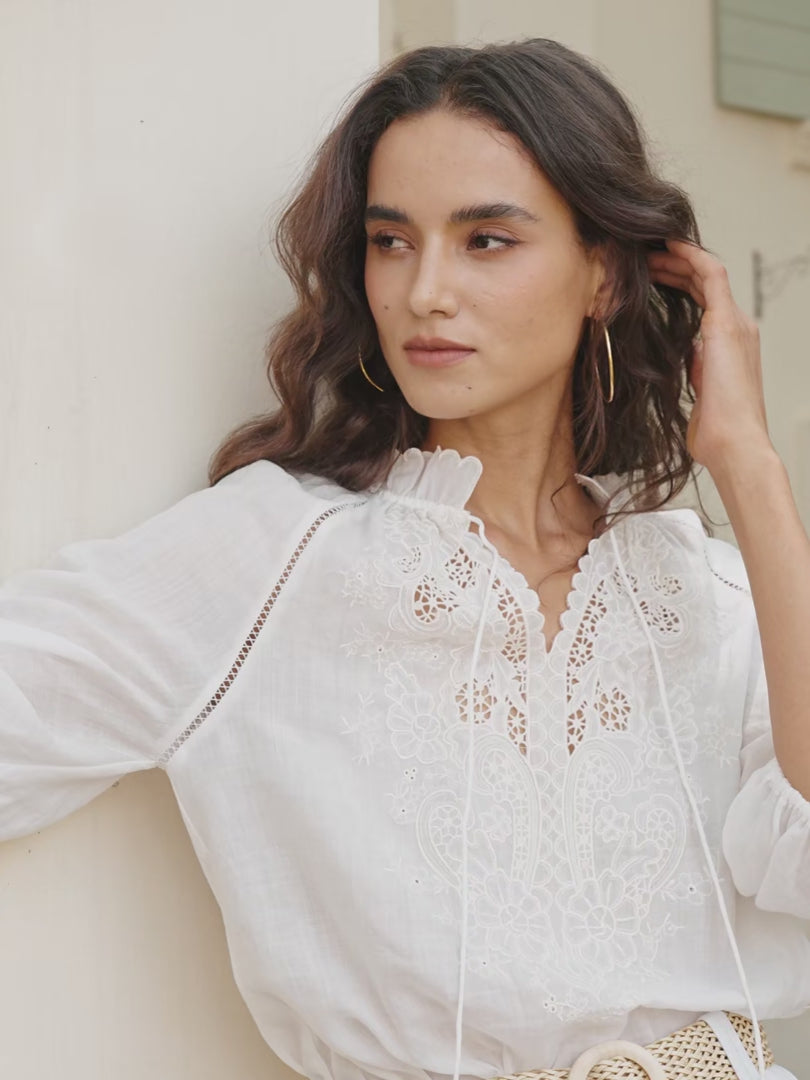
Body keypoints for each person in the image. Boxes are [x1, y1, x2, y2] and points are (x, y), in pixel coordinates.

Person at [1, 35, 808, 1080]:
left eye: (486, 241)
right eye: (392, 242)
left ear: (604, 274)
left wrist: (750, 468)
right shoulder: (273, 558)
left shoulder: (703, 588)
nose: (425, 291)